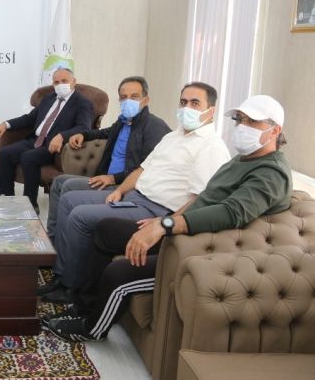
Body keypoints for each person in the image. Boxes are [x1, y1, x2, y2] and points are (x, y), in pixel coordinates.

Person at [45, 95, 292, 342]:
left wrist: (165, 225)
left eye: (252, 122)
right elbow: (204, 197)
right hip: (184, 231)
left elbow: (232, 212)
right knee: (105, 229)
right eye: (240, 119)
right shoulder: (242, 160)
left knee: (118, 273)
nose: (242, 126)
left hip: (202, 249)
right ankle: (82, 307)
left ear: (275, 131)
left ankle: (92, 328)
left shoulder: (271, 173)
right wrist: (167, 219)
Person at [39, 82, 231, 303]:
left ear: (211, 111)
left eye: (195, 103)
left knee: (80, 215)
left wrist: (166, 222)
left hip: (156, 209)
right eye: (183, 102)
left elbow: (201, 199)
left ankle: (70, 287)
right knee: (68, 200)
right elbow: (142, 169)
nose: (187, 108)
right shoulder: (173, 137)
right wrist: (120, 190)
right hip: (135, 196)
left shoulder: (211, 147)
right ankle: (61, 273)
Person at [46, 76, 171, 241]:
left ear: (145, 100)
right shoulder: (123, 121)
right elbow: (104, 133)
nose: (128, 101)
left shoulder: (154, 126)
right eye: (124, 97)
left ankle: (61, 242)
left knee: (68, 186)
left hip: (125, 185)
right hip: (107, 178)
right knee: (59, 182)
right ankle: (52, 238)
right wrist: (83, 134)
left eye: (134, 97)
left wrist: (113, 178)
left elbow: (147, 169)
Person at [0, 68, 94, 211]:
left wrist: (62, 136)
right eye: (56, 82)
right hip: (35, 140)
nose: (60, 85)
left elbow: (84, 127)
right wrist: (6, 124)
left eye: (64, 81)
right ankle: (7, 198)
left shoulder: (82, 103)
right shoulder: (48, 98)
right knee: (5, 153)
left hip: (55, 147)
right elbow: (29, 118)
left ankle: (30, 204)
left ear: (74, 82)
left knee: (28, 157)